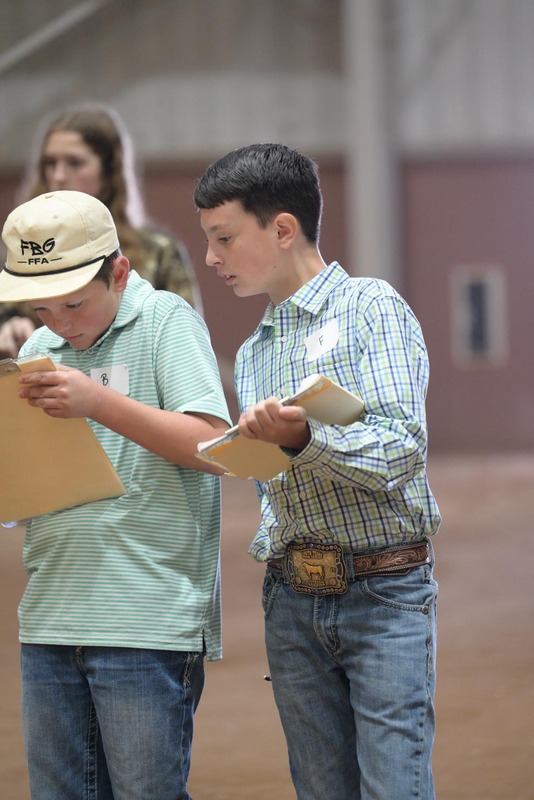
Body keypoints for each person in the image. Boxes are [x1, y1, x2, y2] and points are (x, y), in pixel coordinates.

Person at [194, 143, 442, 800]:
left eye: (223, 238)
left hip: (385, 595)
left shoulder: (371, 308)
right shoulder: (252, 352)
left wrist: (306, 438)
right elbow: (275, 486)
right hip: (291, 603)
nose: (211, 259)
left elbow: (402, 450)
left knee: (395, 787)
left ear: (281, 228)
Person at [0, 189, 231, 800]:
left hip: (148, 620)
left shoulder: (167, 323)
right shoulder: (36, 351)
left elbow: (213, 446)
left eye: (74, 303)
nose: (60, 323)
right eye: (42, 309)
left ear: (120, 271)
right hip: (50, 616)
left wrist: (97, 401)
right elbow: (28, 487)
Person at [0, 103, 202, 358]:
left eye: (75, 163)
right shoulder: (21, 250)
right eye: (50, 163)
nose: (59, 176)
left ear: (108, 171)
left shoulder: (157, 251)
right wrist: (8, 327)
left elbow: (185, 338)